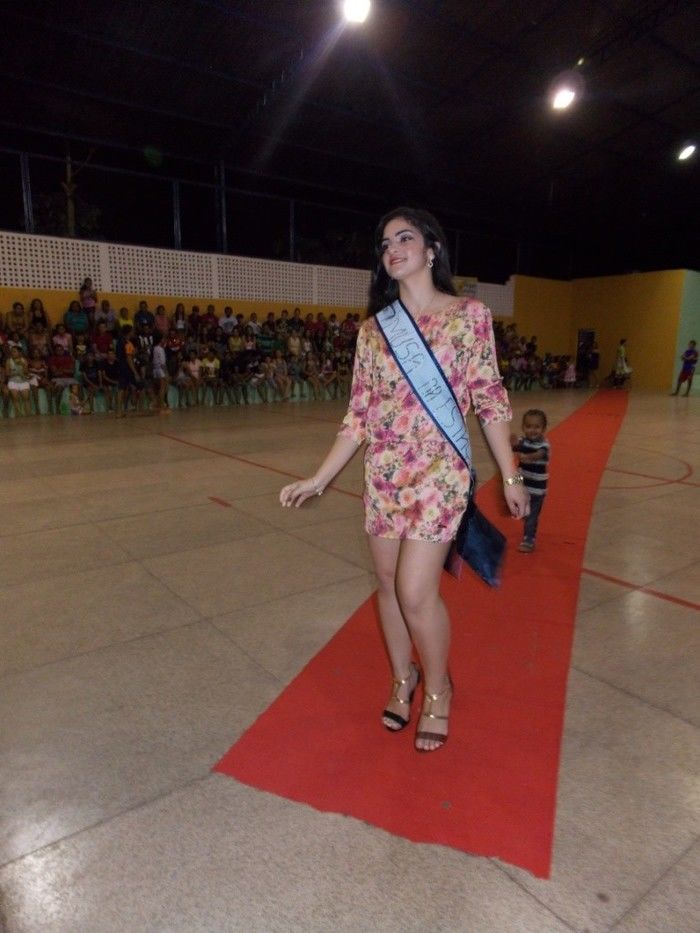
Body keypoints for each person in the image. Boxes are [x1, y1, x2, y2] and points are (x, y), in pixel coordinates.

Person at [279, 207, 528, 753]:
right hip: (385, 476)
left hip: (440, 474)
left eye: (405, 237)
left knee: (417, 593)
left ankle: (438, 689)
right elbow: (359, 415)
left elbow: (488, 397)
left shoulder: (469, 316)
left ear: (432, 248)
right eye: (385, 243)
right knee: (388, 584)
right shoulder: (374, 330)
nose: (392, 248)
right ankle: (403, 678)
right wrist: (320, 478)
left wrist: (510, 471)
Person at [511, 410, 550, 552]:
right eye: (528, 426)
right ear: (523, 427)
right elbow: (515, 449)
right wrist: (513, 444)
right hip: (522, 483)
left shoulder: (544, 445)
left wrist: (526, 457)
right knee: (509, 483)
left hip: (537, 489)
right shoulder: (523, 441)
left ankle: (529, 539)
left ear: (544, 428)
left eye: (537, 427)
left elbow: (538, 455)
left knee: (532, 516)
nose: (532, 430)